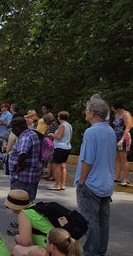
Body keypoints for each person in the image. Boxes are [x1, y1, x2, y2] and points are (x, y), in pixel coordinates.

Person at [76, 96, 116, 256]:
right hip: (106, 183)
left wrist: (82, 180)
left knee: (89, 222)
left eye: (87, 110)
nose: (85, 113)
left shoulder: (91, 132)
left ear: (92, 113)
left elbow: (88, 159)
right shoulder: (110, 130)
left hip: (91, 183)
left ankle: (91, 253)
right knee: (102, 222)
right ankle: (100, 252)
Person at [5, 189, 54, 256]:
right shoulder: (35, 208)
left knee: (17, 249)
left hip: (48, 250)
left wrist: (16, 237)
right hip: (59, 247)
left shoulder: (24, 214)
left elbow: (26, 242)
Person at [8, 117, 42, 202]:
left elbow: (23, 153)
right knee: (28, 202)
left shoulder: (25, 137)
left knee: (20, 203)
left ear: (18, 128)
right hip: (31, 175)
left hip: (23, 177)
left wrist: (18, 165)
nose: (13, 131)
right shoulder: (32, 133)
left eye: (13, 129)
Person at [47, 111, 72, 191]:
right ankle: (63, 184)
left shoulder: (62, 125)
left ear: (60, 117)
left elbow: (58, 137)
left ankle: (57, 184)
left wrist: (51, 135)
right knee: (63, 166)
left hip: (60, 147)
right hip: (67, 146)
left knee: (56, 166)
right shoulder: (69, 125)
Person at [111, 102, 132, 186]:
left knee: (123, 158)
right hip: (116, 137)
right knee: (117, 157)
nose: (112, 109)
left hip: (123, 137)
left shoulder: (126, 114)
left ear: (118, 108)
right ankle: (117, 176)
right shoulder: (116, 115)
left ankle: (126, 178)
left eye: (113, 108)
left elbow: (128, 126)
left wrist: (122, 139)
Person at [41, 113, 58, 181]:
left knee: (51, 160)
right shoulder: (52, 125)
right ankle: (49, 174)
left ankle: (51, 175)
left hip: (51, 145)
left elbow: (51, 136)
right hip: (50, 144)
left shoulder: (54, 126)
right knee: (50, 160)